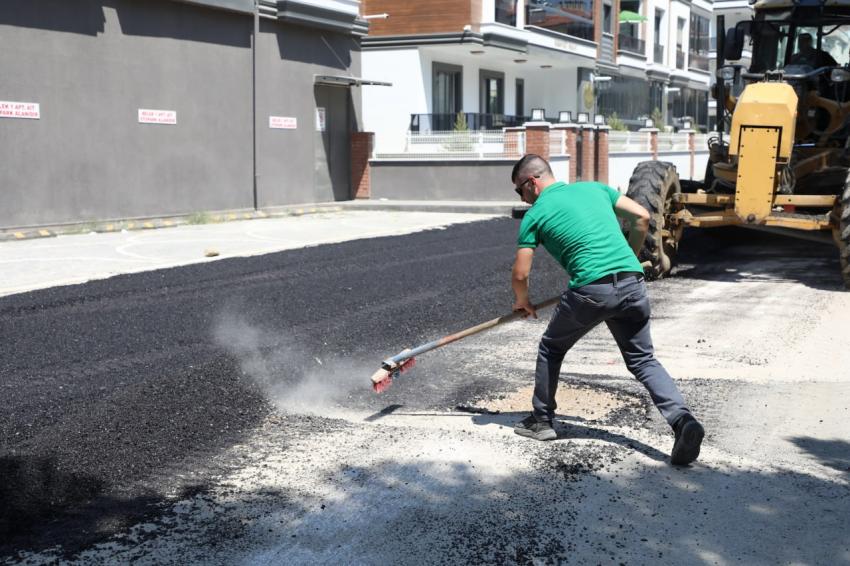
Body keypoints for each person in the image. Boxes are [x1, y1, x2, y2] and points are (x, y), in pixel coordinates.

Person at [509, 154, 704, 466]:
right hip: (633, 283)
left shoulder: (536, 214)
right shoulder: (595, 188)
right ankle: (683, 421)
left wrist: (523, 301)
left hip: (591, 291)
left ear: (532, 183)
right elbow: (642, 216)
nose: (522, 198)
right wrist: (630, 257)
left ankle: (542, 421)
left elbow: (520, 274)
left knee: (551, 348)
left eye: (520, 190)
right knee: (642, 360)